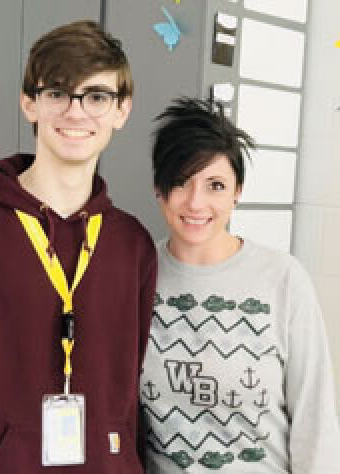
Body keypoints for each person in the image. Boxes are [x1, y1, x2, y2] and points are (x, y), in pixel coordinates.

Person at [0, 21, 156, 473]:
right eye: (58, 93)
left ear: (122, 110)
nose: (76, 113)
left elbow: (127, 393)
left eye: (96, 96)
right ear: (29, 103)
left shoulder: (132, 244)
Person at [140, 97, 340, 473]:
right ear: (158, 188)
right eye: (181, 182)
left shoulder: (283, 279)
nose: (196, 202)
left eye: (215, 185)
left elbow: (316, 424)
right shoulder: (136, 274)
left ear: (237, 192)